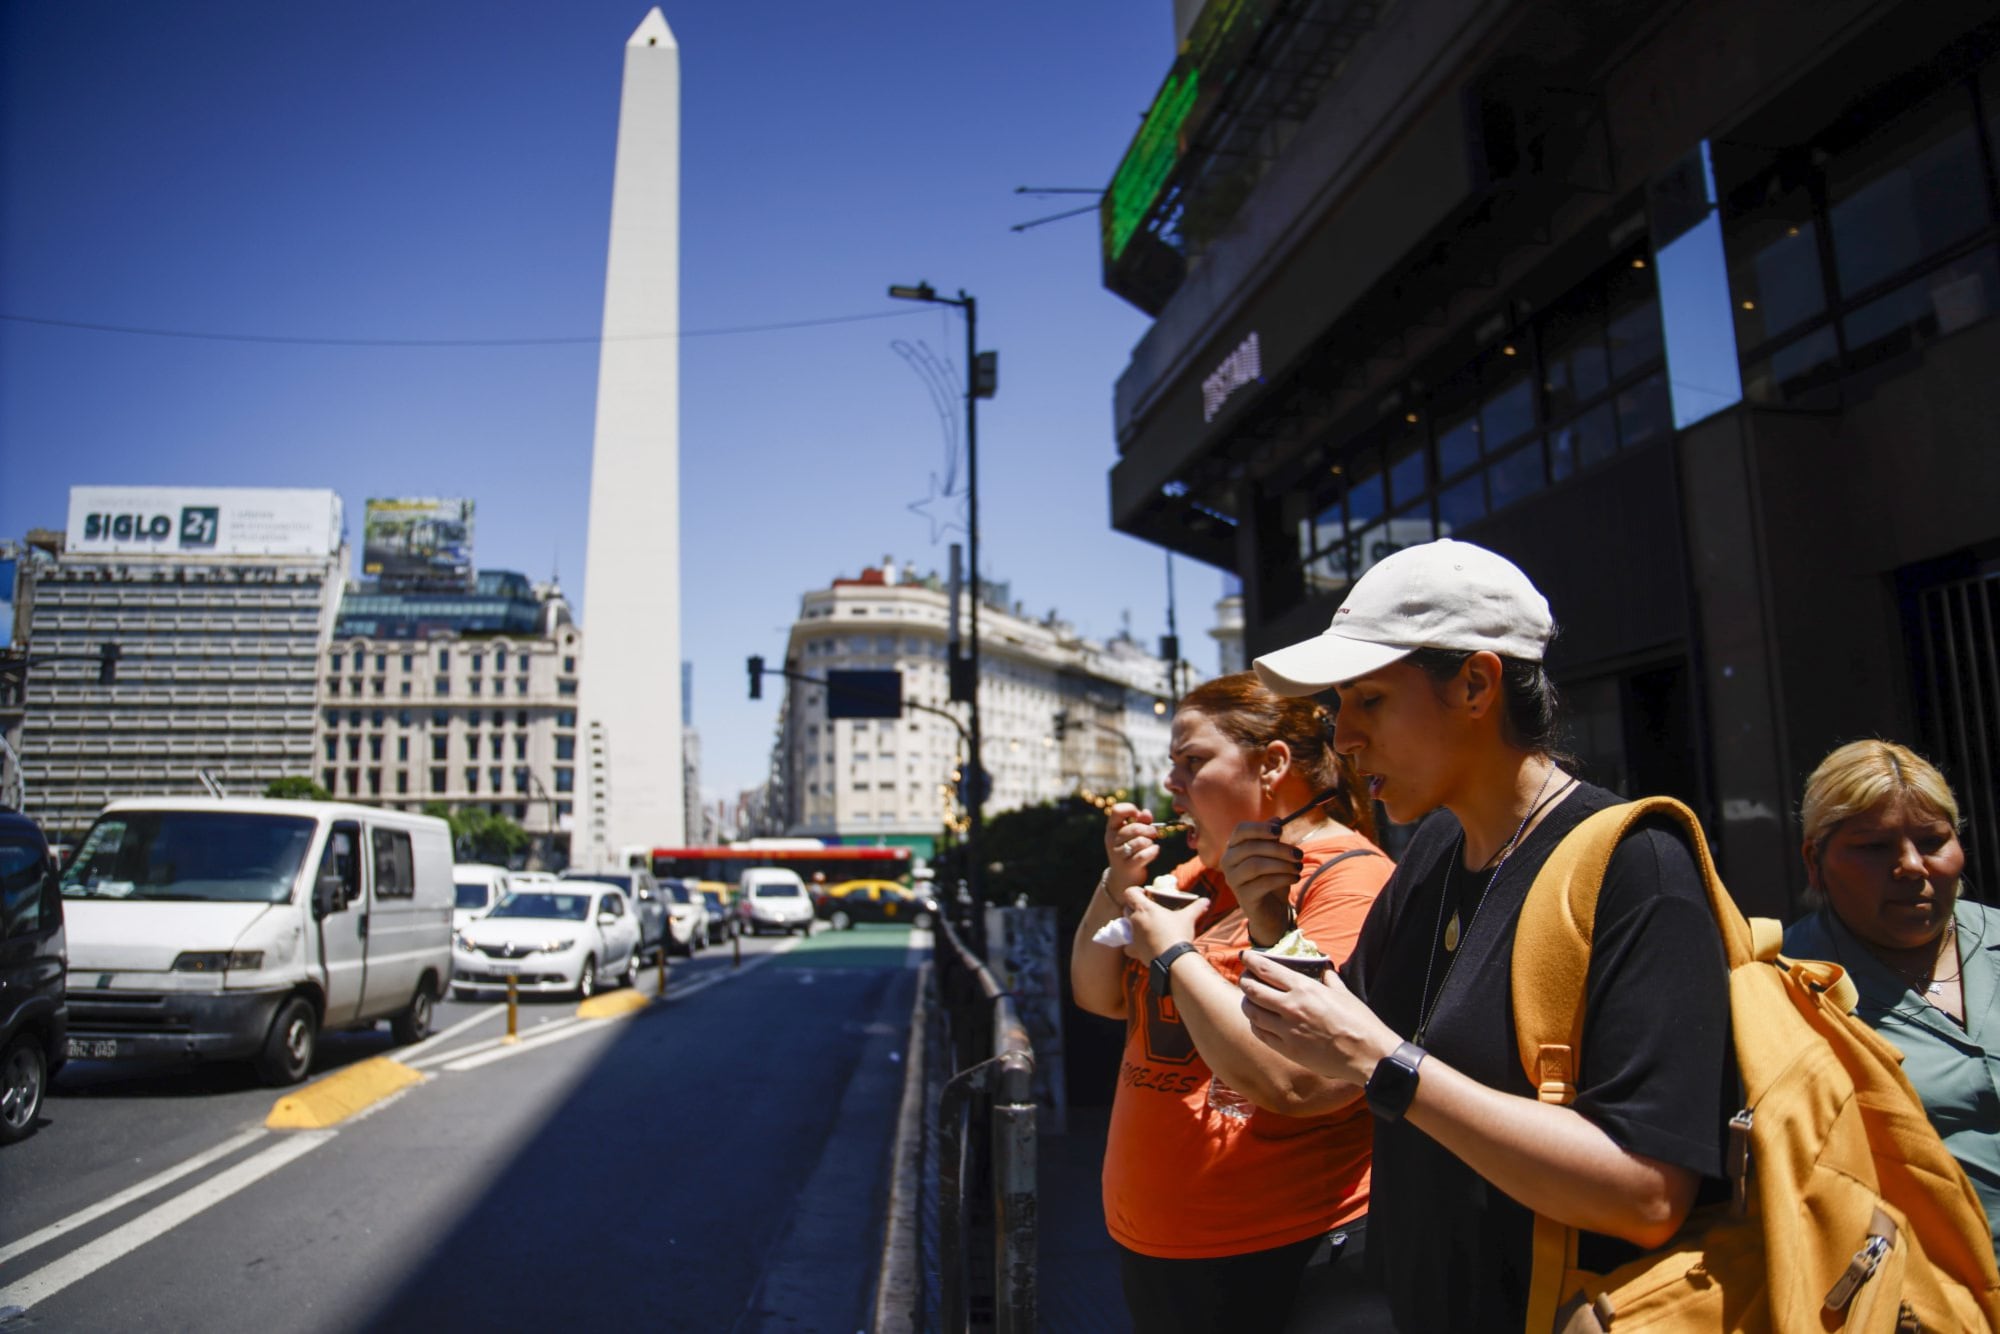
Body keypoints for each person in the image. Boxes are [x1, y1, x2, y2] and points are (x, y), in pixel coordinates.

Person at [1235, 539, 1734, 1333]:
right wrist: (1271, 921)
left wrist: (1385, 1064)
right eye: (1338, 711)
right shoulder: (1434, 847)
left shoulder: (1638, 866)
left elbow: (1646, 1194)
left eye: (1369, 701)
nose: (1345, 739)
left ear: (1475, 683)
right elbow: (1331, 1055)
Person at [1071, 671, 1395, 1331]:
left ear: (1273, 764)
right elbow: (1096, 993)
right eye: (1173, 765)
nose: (1172, 784)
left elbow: (1296, 1082)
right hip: (1167, 1256)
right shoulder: (1200, 875)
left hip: (1287, 1258)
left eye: (1192, 762)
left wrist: (1172, 955)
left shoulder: (1350, 881)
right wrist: (1117, 880)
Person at [1783, 739, 2000, 1256]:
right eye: (1874, 847)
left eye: (1931, 840)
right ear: (1816, 861)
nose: (1911, 866)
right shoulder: (1789, 985)